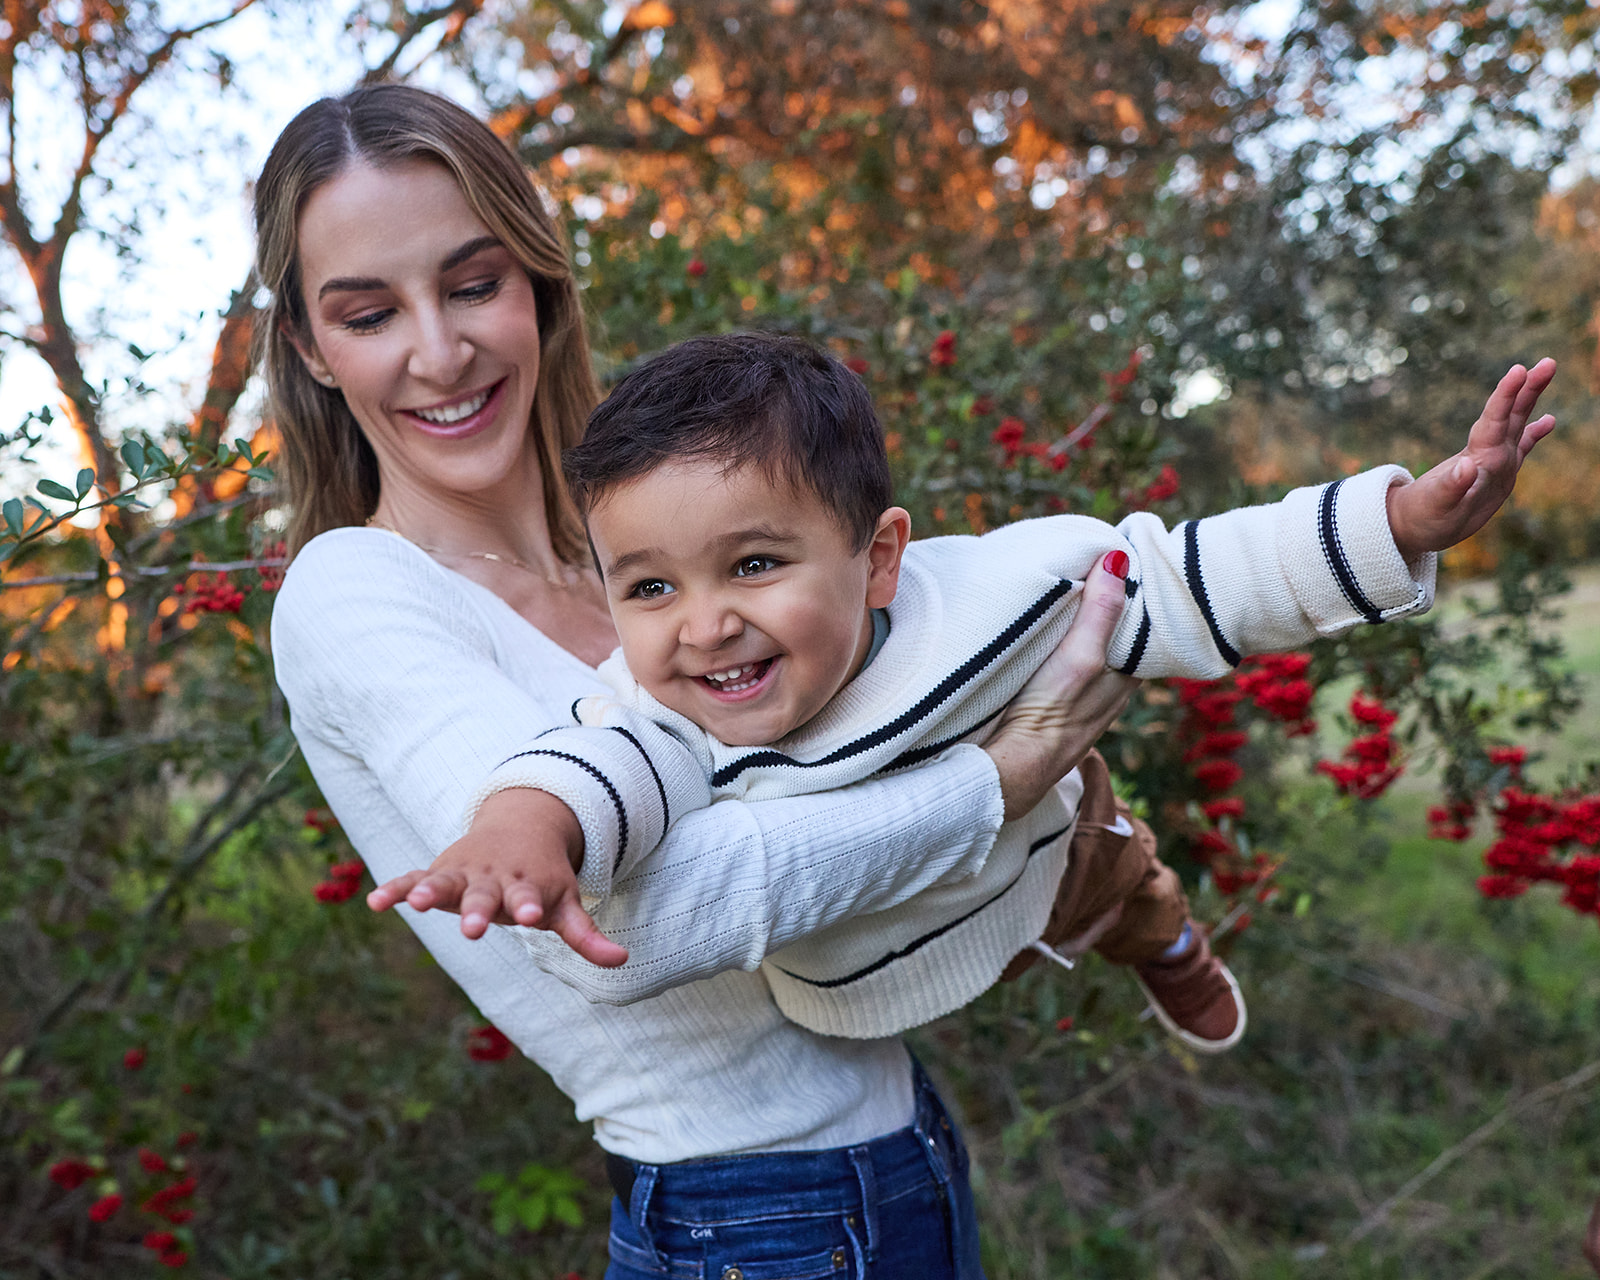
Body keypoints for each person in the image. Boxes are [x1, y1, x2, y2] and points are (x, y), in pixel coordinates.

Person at [263, 83, 1143, 1278]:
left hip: (899, 1159)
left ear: (537, 286)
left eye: (473, 284)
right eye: (369, 313)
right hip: (752, 1216)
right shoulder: (354, 591)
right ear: (313, 349)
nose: (440, 349)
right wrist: (998, 778)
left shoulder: (652, 540)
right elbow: (627, 928)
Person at [372, 333, 1555, 1058]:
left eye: (754, 563)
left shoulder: (999, 593)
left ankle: (1173, 942)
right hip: (864, 972)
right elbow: (594, 772)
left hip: (1048, 851)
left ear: (880, 555)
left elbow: (1200, 574)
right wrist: (519, 829)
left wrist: (1400, 518)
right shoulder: (659, 706)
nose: (703, 621)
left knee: (1123, 882)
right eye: (648, 584)